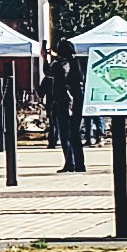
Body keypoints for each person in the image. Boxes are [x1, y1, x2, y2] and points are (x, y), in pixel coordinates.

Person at [45, 42, 87, 172]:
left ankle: (70, 163)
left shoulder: (61, 65)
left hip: (65, 103)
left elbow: (48, 72)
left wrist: (44, 59)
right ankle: (79, 163)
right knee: (75, 135)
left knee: (65, 134)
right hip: (77, 102)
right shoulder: (76, 63)